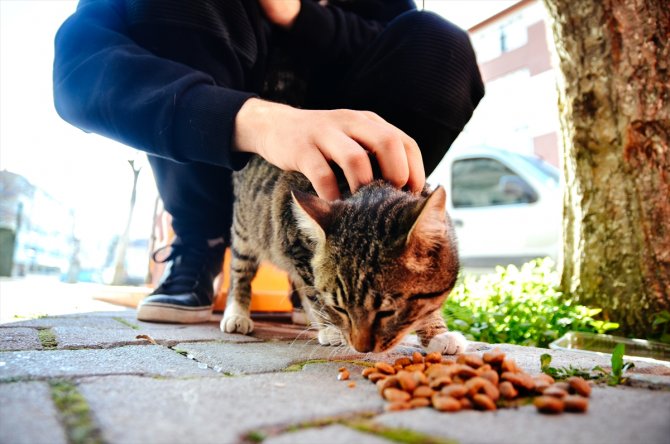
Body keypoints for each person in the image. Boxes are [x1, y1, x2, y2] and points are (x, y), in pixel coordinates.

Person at [53, 0, 484, 324]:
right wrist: (253, 120)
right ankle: (199, 241)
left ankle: (339, 271)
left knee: (441, 42)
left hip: (335, 198)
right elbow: (81, 68)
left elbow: (401, 39)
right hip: (216, 157)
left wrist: (299, 16)